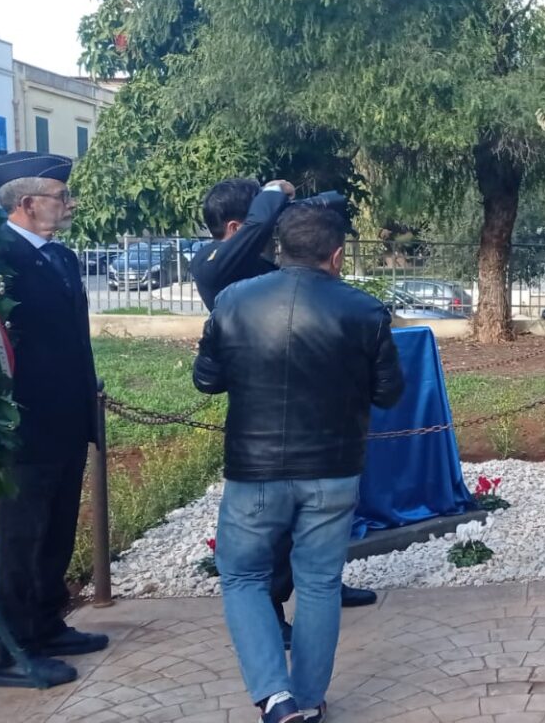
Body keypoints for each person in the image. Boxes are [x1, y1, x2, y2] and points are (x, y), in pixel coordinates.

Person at [194, 203, 404, 723]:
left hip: (253, 470)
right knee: (318, 581)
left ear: (278, 249)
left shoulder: (232, 300)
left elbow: (206, 379)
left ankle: (275, 697)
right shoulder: (366, 311)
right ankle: (308, 698)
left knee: (242, 576)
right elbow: (389, 393)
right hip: (333, 468)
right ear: (336, 256)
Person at [0, 154, 104, 689]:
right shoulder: (0, 257)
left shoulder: (60, 258)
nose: (68, 205)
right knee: (23, 536)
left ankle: (45, 621)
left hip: (65, 417)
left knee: (57, 528)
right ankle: (8, 647)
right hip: (24, 423)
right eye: (60, 196)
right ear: (26, 202)